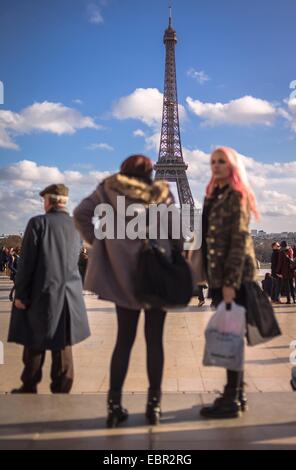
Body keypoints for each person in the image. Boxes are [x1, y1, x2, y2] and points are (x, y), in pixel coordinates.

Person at [74, 155, 177, 427]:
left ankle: (114, 405)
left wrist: (100, 242)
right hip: (156, 273)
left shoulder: (108, 188)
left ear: (123, 170)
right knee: (155, 342)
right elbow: (176, 230)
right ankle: (154, 406)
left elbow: (81, 214)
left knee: (124, 341)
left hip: (123, 276)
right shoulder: (162, 192)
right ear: (151, 171)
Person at [8, 184, 90, 393]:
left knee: (35, 339)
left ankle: (30, 383)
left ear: (49, 201)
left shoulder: (38, 223)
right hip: (69, 293)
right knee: (63, 343)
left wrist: (21, 294)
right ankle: (62, 386)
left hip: (42, 292)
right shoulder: (75, 226)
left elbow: (27, 263)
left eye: (44, 200)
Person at [199, 146, 259, 419]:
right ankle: (238, 393)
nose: (216, 165)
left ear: (233, 166)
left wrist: (229, 284)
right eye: (213, 161)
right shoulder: (215, 194)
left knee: (231, 336)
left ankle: (230, 398)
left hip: (234, 278)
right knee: (232, 334)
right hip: (222, 276)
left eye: (222, 161)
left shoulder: (236, 196)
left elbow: (239, 241)